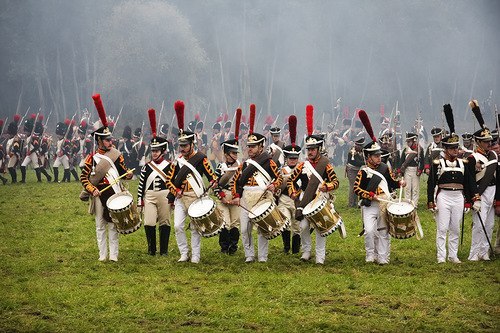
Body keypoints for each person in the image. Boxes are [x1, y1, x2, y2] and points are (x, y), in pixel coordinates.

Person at [80, 95, 133, 262]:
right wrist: (92, 189)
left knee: (113, 225)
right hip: (98, 194)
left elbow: (124, 171)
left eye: (111, 139)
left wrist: (129, 175)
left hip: (114, 192)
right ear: (100, 141)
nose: (111, 141)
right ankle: (102, 255)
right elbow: (84, 178)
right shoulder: (92, 158)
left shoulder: (116, 155)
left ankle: (114, 256)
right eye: (107, 140)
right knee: (100, 226)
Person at [165, 100, 218, 263]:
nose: (182, 148)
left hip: (196, 196)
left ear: (191, 144)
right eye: (181, 145)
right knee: (178, 226)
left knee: (195, 227)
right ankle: (184, 253)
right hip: (181, 197)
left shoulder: (201, 158)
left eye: (185, 145)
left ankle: (195, 255)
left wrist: (214, 182)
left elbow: (211, 176)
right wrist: (176, 191)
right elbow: (169, 181)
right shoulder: (177, 161)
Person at [288, 105, 339, 264]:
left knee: (320, 228)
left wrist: (327, 187)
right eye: (308, 149)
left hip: (320, 199)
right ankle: (306, 251)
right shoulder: (302, 166)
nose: (309, 152)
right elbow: (291, 180)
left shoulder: (326, 166)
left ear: (319, 149)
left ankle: (320, 257)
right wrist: (293, 193)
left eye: (313, 149)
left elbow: (336, 182)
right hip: (305, 199)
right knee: (303, 227)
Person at [230, 104, 282, 263]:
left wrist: (274, 186)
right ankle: (249, 255)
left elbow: (279, 178)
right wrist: (236, 196)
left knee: (262, 228)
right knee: (245, 229)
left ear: (261, 146)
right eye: (249, 146)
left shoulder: (269, 163)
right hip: (246, 196)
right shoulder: (244, 165)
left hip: (262, 195)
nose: (250, 149)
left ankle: (263, 257)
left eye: (253, 146)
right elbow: (236, 182)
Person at [427, 104, 479, 263]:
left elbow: (470, 182)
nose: (456, 150)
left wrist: (473, 199)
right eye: (452, 148)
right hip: (444, 196)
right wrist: (431, 201)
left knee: (455, 228)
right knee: (442, 228)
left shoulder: (464, 163)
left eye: (456, 147)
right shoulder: (437, 163)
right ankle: (441, 256)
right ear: (446, 149)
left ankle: (453, 255)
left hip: (458, 197)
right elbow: (431, 183)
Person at [353, 111, 405, 265]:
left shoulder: (383, 168)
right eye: (376, 155)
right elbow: (356, 189)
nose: (379, 158)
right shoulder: (363, 171)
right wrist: (370, 195)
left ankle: (383, 257)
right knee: (369, 231)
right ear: (368, 157)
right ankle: (370, 255)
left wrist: (400, 183)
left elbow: (391, 182)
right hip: (370, 204)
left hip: (384, 203)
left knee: (383, 231)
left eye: (379, 155)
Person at [467, 100, 498, 261]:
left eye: (490, 142)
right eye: (486, 142)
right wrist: (474, 197)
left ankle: (484, 252)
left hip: (492, 192)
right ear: (478, 142)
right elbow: (470, 180)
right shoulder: (472, 158)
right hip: (480, 192)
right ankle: (474, 253)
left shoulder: (493, 156)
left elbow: (496, 178)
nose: (489, 144)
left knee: (490, 224)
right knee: (479, 225)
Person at [137, 109, 171, 256]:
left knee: (165, 223)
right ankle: (151, 249)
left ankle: (163, 251)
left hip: (165, 196)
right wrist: (140, 200)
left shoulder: (170, 166)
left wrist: (173, 198)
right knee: (149, 223)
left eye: (157, 151)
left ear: (163, 151)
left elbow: (173, 183)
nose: (154, 153)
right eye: (153, 150)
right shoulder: (147, 166)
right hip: (149, 196)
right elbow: (141, 184)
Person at [277, 116, 301, 254]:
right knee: (285, 223)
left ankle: (296, 250)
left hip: (297, 201)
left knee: (297, 227)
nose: (293, 160)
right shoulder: (281, 170)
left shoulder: (303, 170)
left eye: (295, 158)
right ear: (286, 158)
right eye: (291, 158)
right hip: (284, 200)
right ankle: (286, 248)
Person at [214, 137, 241, 255]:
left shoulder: (241, 166)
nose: (235, 155)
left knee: (235, 222)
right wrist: (222, 197)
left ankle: (233, 247)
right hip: (224, 196)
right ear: (226, 154)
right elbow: (215, 185)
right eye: (233, 153)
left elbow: (242, 184)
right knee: (225, 223)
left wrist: (237, 196)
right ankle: (224, 247)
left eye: (236, 153)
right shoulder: (220, 167)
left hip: (235, 197)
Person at [398, 132, 424, 206]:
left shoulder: (419, 149)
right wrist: (400, 171)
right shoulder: (405, 150)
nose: (408, 143)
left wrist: (420, 170)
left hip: (415, 170)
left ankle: (414, 204)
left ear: (413, 141)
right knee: (407, 188)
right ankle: (407, 204)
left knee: (415, 189)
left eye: (409, 141)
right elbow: (401, 161)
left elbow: (422, 162)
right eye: (407, 142)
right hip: (407, 170)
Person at [345, 135, 365, 208]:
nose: (360, 147)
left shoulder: (362, 151)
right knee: (353, 186)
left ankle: (356, 203)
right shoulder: (352, 152)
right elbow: (355, 162)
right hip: (351, 170)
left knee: (358, 186)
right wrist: (365, 163)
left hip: (358, 170)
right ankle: (351, 204)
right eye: (359, 145)